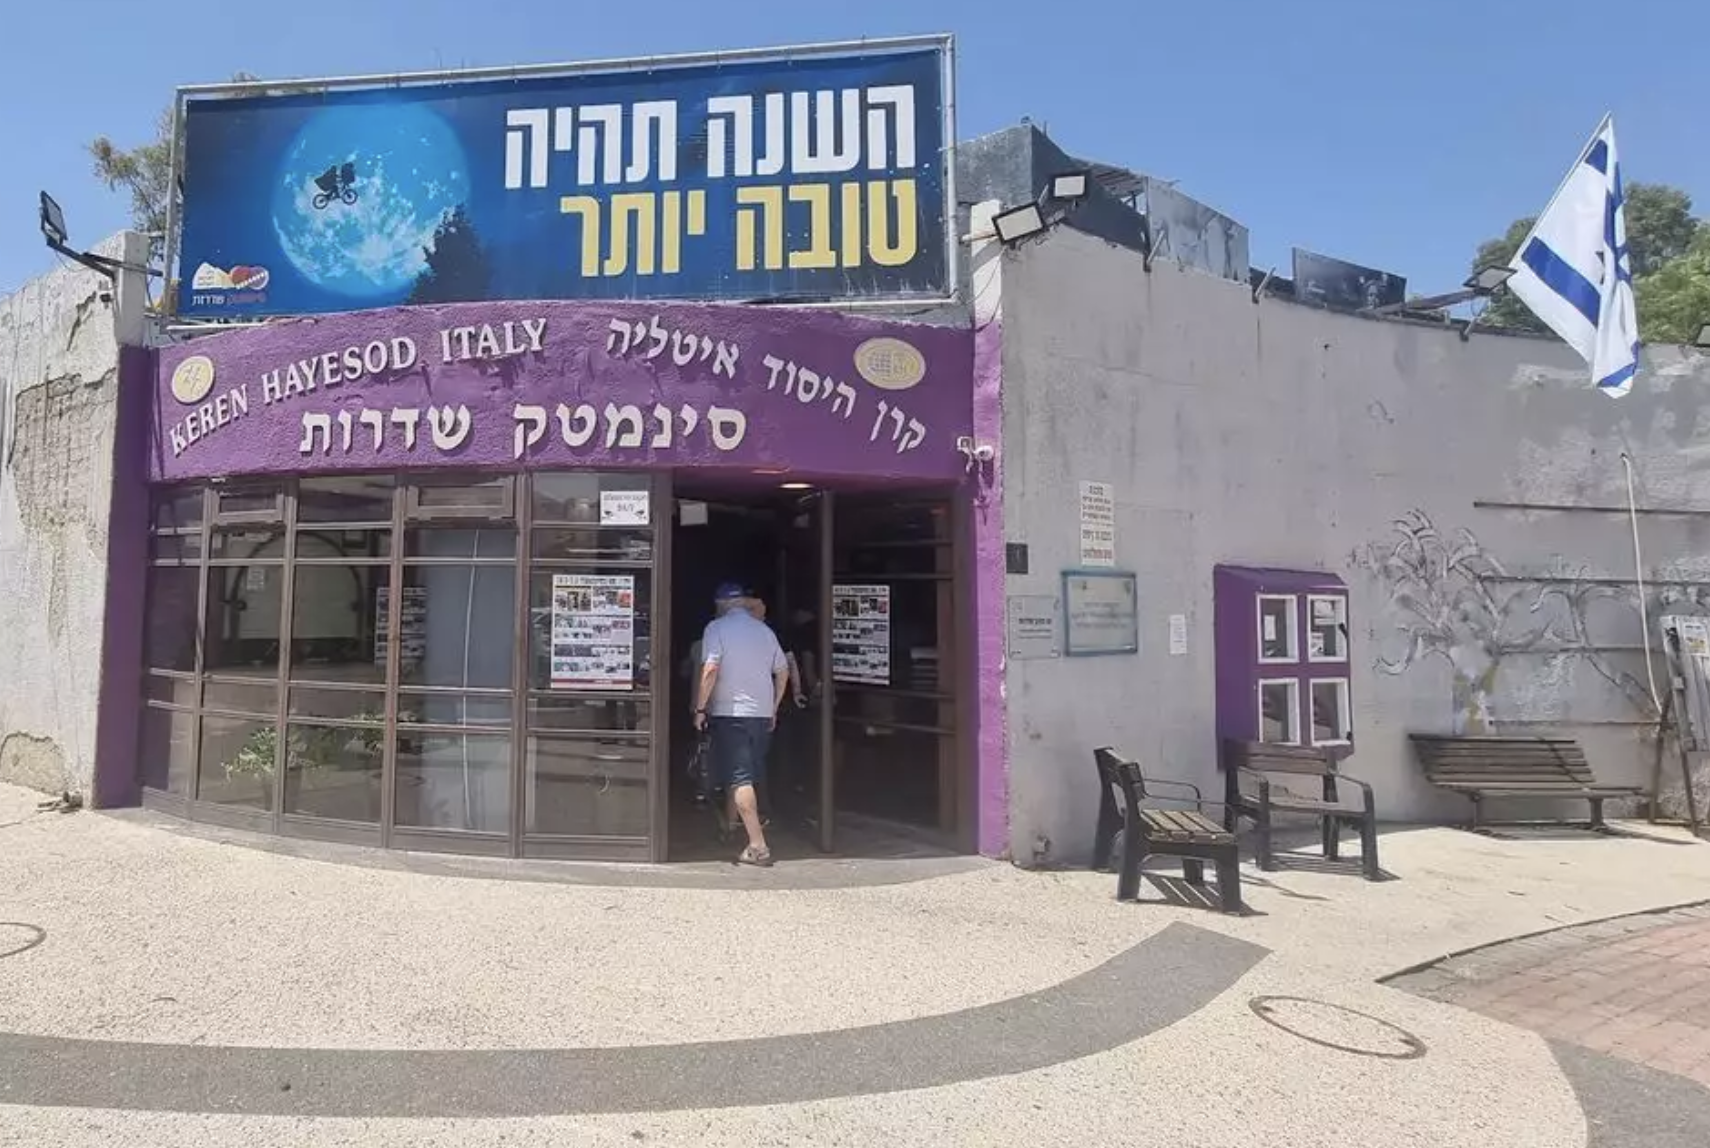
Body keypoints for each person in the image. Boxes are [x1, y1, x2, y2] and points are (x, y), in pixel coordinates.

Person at [693, 582, 789, 866]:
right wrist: (773, 707)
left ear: (721, 604)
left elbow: (711, 668)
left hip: (731, 713)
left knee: (739, 777)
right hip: (760, 715)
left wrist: (700, 708)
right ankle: (730, 826)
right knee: (743, 774)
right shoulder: (764, 631)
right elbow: (782, 671)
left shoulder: (716, 628)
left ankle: (758, 846)